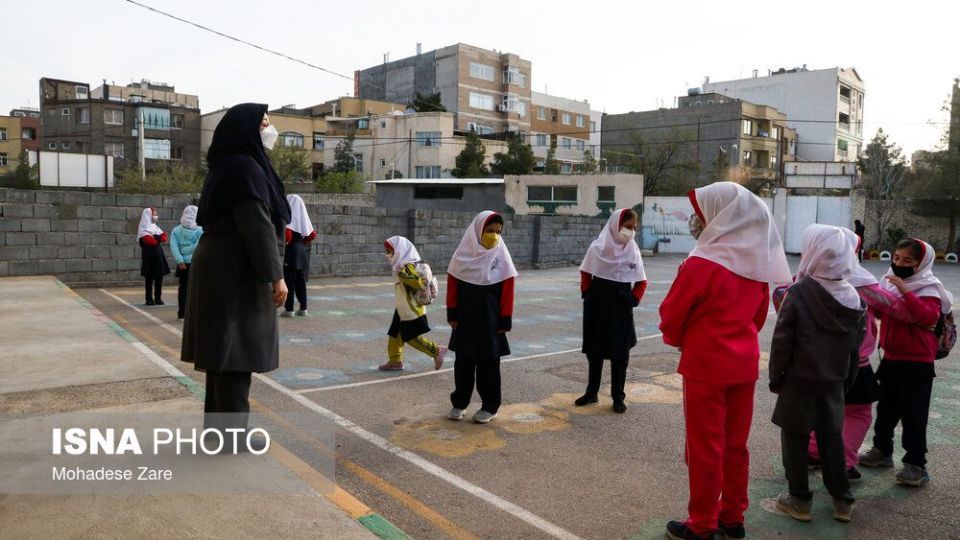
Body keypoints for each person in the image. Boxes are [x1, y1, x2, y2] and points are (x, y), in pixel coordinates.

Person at [659, 182, 791, 540]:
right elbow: (760, 315)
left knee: (704, 446)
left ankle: (701, 523)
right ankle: (732, 516)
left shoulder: (702, 263)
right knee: (735, 444)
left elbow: (672, 315)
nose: (698, 218)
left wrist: (679, 340)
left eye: (702, 211)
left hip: (706, 365)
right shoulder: (754, 262)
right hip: (744, 362)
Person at [181, 103, 291, 450]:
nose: (268, 131)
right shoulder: (245, 168)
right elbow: (256, 225)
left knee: (223, 359)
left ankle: (218, 436)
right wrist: (276, 276)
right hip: (235, 269)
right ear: (246, 129)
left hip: (222, 264)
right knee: (235, 355)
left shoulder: (229, 165)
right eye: (263, 125)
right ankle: (231, 440)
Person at [768, 224, 865, 524]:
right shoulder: (853, 297)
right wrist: (846, 380)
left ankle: (799, 499)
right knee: (831, 439)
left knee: (795, 440)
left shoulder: (799, 292)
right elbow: (854, 347)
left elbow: (782, 341)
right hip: (833, 383)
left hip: (799, 382)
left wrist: (776, 377)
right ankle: (842, 500)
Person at [858, 238, 953, 487]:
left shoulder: (929, 287)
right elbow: (881, 312)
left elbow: (927, 315)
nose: (899, 264)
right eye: (896, 258)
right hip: (891, 358)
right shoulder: (888, 282)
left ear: (921, 263)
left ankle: (915, 464)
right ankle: (882, 451)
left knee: (914, 413)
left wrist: (905, 291)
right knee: (887, 409)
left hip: (917, 362)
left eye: (908, 261)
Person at [805, 227, 881, 483]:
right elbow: (895, 308)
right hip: (856, 364)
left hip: (815, 364)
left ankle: (813, 453)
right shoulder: (863, 284)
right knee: (857, 413)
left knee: (820, 409)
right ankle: (844, 464)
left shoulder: (800, 284)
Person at [446, 211, 517, 424]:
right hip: (465, 319)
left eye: (498, 232)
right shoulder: (462, 257)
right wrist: (452, 313)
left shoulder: (501, 258)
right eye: (489, 231)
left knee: (489, 366)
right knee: (463, 364)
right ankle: (460, 403)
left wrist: (505, 319)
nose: (494, 236)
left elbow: (508, 291)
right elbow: (452, 286)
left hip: (491, 322)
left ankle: (490, 406)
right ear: (478, 231)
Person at [576, 208, 648, 413]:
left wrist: (633, 299)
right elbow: (586, 271)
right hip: (597, 303)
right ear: (617, 225)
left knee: (620, 353)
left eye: (634, 228)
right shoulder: (597, 247)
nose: (631, 232)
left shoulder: (633, 249)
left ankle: (618, 397)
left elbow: (642, 280)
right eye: (628, 227)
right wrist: (587, 293)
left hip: (621, 305)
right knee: (594, 350)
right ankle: (592, 393)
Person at [379, 236, 447, 372]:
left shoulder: (407, 265)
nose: (388, 255)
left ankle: (436, 351)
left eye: (391, 251)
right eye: (387, 251)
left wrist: (402, 273)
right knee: (395, 333)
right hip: (403, 308)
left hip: (411, 309)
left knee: (409, 336)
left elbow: (417, 282)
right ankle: (395, 361)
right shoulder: (402, 264)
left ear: (399, 250)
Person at [280, 194, 316, 318]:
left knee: (289, 281)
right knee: (301, 281)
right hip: (302, 251)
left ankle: (289, 309)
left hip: (291, 252)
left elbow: (286, 235)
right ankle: (303, 308)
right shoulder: (303, 217)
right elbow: (311, 235)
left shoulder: (290, 219)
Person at [170, 205, 203, 320]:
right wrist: (190, 249)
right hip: (196, 263)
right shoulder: (201, 230)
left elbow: (174, 247)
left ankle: (182, 313)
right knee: (197, 289)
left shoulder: (176, 230)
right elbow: (199, 245)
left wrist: (180, 259)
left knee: (183, 289)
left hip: (182, 264)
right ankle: (194, 313)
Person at [137, 207, 170, 306]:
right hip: (149, 256)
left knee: (159, 277)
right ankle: (149, 299)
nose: (156, 215)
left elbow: (164, 237)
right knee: (149, 277)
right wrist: (156, 238)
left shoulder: (155, 227)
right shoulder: (143, 228)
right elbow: (149, 241)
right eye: (154, 213)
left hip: (158, 255)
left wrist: (155, 237)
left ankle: (158, 298)